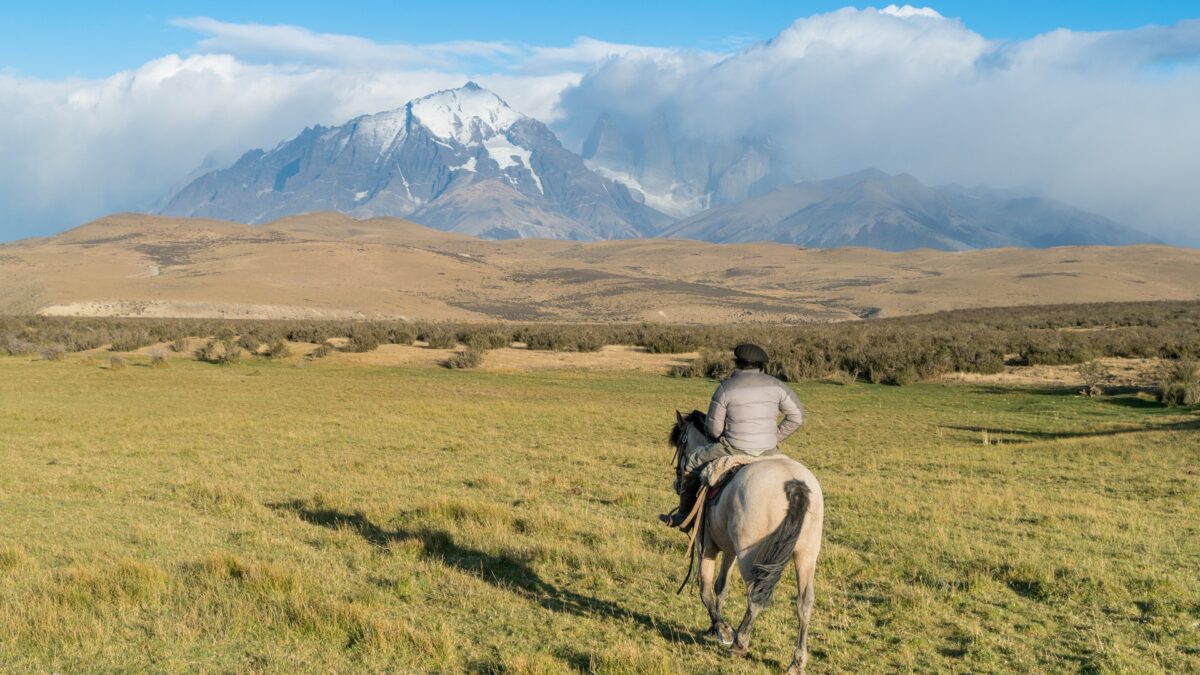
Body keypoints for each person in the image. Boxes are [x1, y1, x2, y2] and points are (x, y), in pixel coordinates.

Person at [660, 343, 805, 528]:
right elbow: (797, 417)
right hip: (769, 450)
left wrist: (728, 438)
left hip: (733, 447)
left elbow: (713, 429)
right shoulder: (778, 386)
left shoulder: (726, 388)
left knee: (692, 463)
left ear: (737, 363)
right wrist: (773, 437)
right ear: (762, 365)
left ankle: (684, 516)